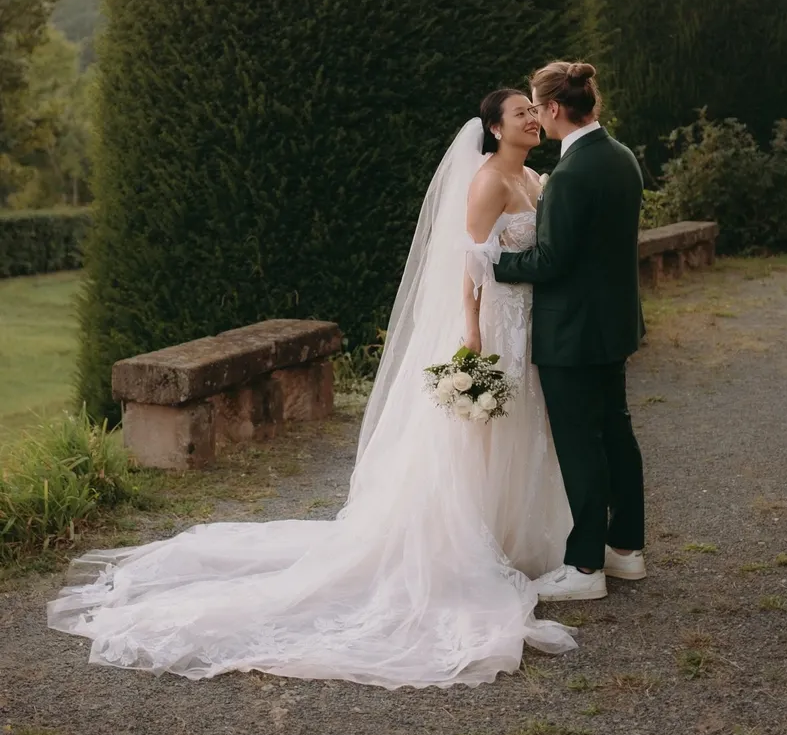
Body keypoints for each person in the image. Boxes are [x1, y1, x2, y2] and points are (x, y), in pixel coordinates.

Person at [47, 90, 575, 688]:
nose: (533, 119)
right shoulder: (486, 182)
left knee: (521, 425)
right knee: (479, 432)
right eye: (521, 114)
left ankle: (520, 535)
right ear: (493, 127)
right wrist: (474, 333)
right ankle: (475, 540)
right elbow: (469, 262)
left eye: (535, 112)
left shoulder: (533, 174)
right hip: (494, 323)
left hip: (528, 320)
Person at [494, 61, 647, 603]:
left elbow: (551, 259)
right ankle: (626, 550)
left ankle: (584, 568)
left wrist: (495, 264)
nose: (536, 116)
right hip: (614, 325)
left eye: (537, 107)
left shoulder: (571, 174)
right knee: (617, 435)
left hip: (571, 334)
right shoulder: (622, 158)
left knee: (580, 445)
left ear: (554, 109)